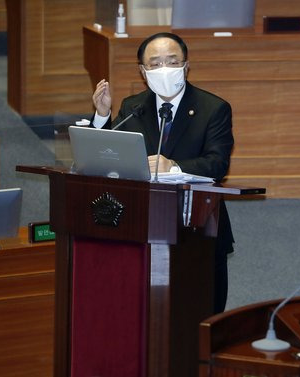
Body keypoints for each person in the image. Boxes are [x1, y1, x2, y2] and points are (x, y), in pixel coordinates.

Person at [91, 32, 234, 313]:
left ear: (186, 65)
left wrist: (175, 166)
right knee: (143, 309)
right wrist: (102, 116)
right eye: (155, 64)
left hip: (197, 223)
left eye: (172, 61)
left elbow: (218, 165)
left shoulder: (213, 108)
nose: (164, 69)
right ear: (143, 72)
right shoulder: (133, 107)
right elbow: (111, 155)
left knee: (201, 311)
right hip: (142, 220)